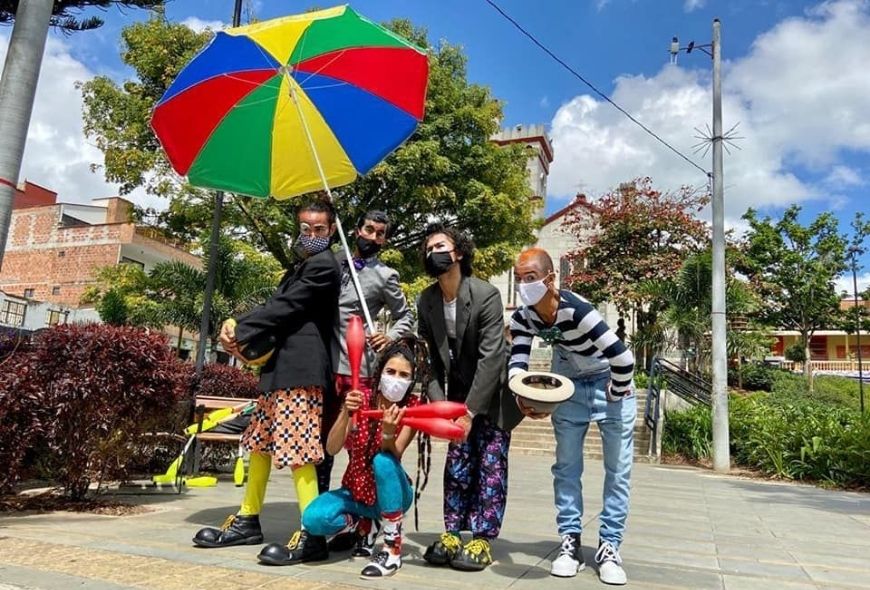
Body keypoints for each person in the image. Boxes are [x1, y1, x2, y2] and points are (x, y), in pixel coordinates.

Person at [192, 198, 342, 567]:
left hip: (303, 371)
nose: (311, 235)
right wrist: (244, 342)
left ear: (332, 230)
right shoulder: (299, 267)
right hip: (278, 370)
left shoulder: (325, 266)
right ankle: (247, 520)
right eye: (305, 228)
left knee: (299, 450)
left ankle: (313, 534)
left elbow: (286, 307)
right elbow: (280, 314)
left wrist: (239, 329)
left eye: (319, 229)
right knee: (259, 443)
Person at [508, 248, 635, 586]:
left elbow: (624, 360)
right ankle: (570, 542)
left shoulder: (577, 310)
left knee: (618, 470)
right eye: (519, 278)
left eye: (531, 278)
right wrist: (524, 394)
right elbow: (517, 365)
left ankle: (609, 546)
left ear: (551, 280)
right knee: (566, 467)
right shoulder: (523, 318)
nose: (524, 285)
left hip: (609, 380)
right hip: (567, 384)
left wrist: (616, 392)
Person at [416, 223, 522, 572]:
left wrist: (470, 411)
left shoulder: (486, 294)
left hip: (490, 398)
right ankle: (451, 532)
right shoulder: (426, 300)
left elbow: (492, 357)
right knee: (457, 466)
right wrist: (440, 408)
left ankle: (482, 537)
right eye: (429, 248)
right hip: (455, 398)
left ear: (458, 252)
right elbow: (426, 358)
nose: (435, 252)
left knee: (490, 467)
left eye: (441, 245)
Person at [303, 338, 429, 578]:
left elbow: (395, 453)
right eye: (390, 371)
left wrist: (389, 433)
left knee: (382, 460)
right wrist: (345, 412)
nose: (396, 378)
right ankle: (361, 523)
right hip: (356, 491)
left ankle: (392, 547)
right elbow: (331, 448)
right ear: (379, 372)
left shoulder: (412, 406)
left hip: (391, 494)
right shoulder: (361, 398)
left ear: (411, 380)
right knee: (313, 519)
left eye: (404, 375)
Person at [318, 210, 414, 498]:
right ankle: (315, 510)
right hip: (322, 365)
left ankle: (363, 516)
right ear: (357, 230)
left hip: (357, 372)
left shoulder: (386, 276)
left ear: (384, 240)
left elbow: (406, 317)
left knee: (359, 446)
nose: (373, 236)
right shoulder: (331, 261)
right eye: (369, 229)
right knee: (322, 442)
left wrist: (390, 336)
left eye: (380, 233)